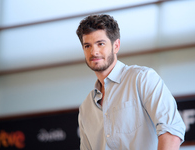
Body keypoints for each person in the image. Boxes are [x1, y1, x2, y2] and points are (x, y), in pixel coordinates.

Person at [76, 14, 185, 150]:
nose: (94, 51)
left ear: (116, 46)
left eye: (100, 44)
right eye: (87, 46)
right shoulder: (86, 108)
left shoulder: (142, 79)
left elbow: (171, 130)